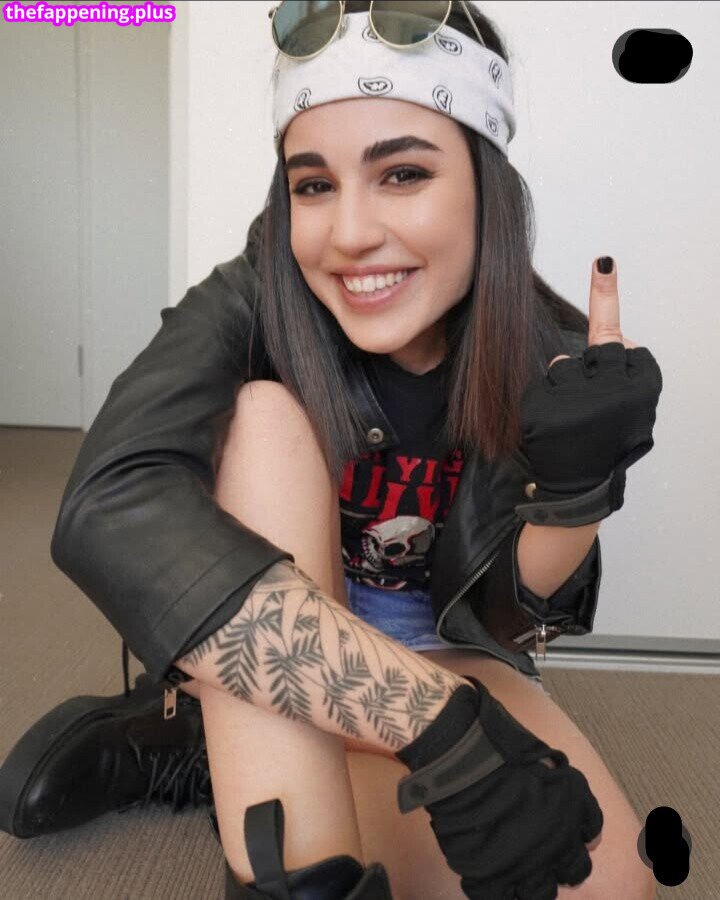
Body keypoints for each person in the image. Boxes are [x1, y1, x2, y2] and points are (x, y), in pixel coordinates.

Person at [0, 2, 663, 898]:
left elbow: (511, 615)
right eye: (313, 186)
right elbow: (106, 506)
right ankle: (234, 740)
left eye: (403, 173)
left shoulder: (550, 351)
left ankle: (208, 748)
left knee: (600, 879)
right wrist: (435, 728)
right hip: (282, 628)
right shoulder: (250, 296)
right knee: (263, 421)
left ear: (486, 183)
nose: (349, 233)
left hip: (445, 654)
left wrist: (580, 487)